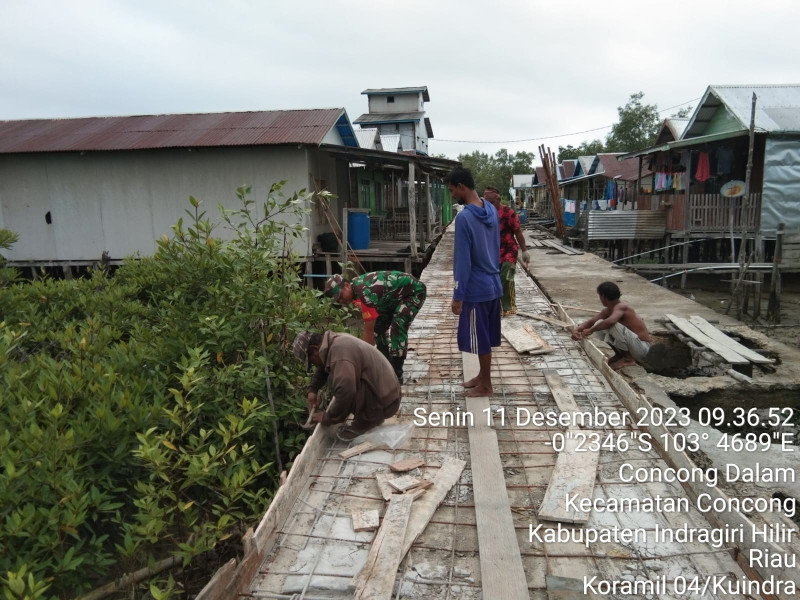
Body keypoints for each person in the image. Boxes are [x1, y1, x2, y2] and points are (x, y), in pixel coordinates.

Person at [446, 167, 503, 397]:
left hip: (476, 289)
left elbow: (463, 261)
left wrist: (457, 295)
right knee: (486, 335)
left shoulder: (464, 218)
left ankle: (486, 385)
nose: (452, 195)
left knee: (480, 339)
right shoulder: (490, 209)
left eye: (452, 190)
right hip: (494, 283)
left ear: (461, 187)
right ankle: (482, 376)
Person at [292, 330, 401, 441]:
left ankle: (366, 421)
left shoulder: (339, 353)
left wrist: (328, 417)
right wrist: (313, 390)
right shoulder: (333, 342)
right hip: (387, 393)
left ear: (315, 349)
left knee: (337, 382)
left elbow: (345, 390)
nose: (315, 365)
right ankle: (371, 415)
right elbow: (323, 366)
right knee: (338, 377)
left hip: (387, 402)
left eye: (312, 362)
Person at [324, 271, 426, 383]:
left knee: (398, 325)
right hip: (393, 298)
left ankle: (397, 372)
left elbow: (368, 333)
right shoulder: (355, 289)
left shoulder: (363, 293)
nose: (341, 301)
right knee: (379, 327)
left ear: (347, 285)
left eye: (340, 296)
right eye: (338, 301)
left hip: (413, 293)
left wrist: (359, 362)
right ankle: (385, 363)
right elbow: (373, 329)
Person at [571, 281, 651, 370]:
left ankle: (628, 359)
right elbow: (591, 322)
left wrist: (591, 330)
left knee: (613, 326)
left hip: (642, 348)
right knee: (599, 323)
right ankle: (620, 355)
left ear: (603, 296)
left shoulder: (622, 306)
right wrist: (577, 330)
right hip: (634, 347)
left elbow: (611, 321)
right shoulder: (608, 310)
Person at [484, 186, 530, 316]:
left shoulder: (509, 213)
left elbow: (518, 232)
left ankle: (509, 307)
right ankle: (496, 308)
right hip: (493, 251)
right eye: (488, 203)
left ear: (498, 199)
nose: (490, 205)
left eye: (492, 203)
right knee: (494, 279)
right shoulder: (485, 214)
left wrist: (524, 250)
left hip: (509, 249)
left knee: (506, 277)